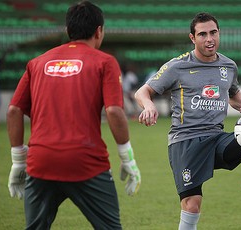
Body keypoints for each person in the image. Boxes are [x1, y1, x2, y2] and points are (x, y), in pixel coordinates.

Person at [134, 12, 241, 230]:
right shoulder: (177, 66)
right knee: (192, 205)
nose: (209, 39)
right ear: (192, 38)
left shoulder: (228, 66)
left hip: (216, 139)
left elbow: (233, 94)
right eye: (203, 34)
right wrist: (149, 105)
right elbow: (142, 92)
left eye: (213, 32)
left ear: (219, 33)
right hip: (185, 142)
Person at [7, 1, 141, 229]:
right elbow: (114, 111)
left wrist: (18, 162)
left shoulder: (37, 63)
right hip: (86, 161)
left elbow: (14, 110)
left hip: (41, 162)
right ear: (99, 31)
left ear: (68, 30)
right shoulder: (105, 61)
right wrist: (127, 158)